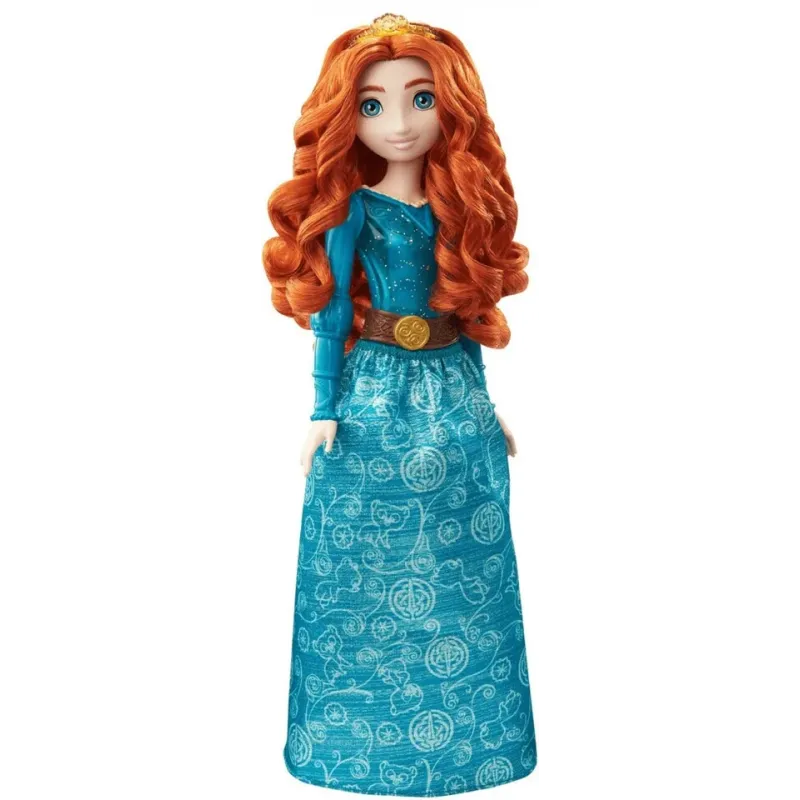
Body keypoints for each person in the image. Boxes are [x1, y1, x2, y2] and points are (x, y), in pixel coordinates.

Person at [262, 14, 537, 796]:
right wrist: (323, 406)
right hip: (375, 394)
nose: (401, 122)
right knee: (357, 563)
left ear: (452, 107)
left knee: (466, 567)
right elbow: (331, 316)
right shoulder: (355, 208)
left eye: (421, 98)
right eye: (373, 105)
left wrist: (485, 402)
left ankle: (477, 745)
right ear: (346, 117)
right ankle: (351, 744)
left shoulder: (456, 207)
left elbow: (464, 307)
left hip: (453, 393)